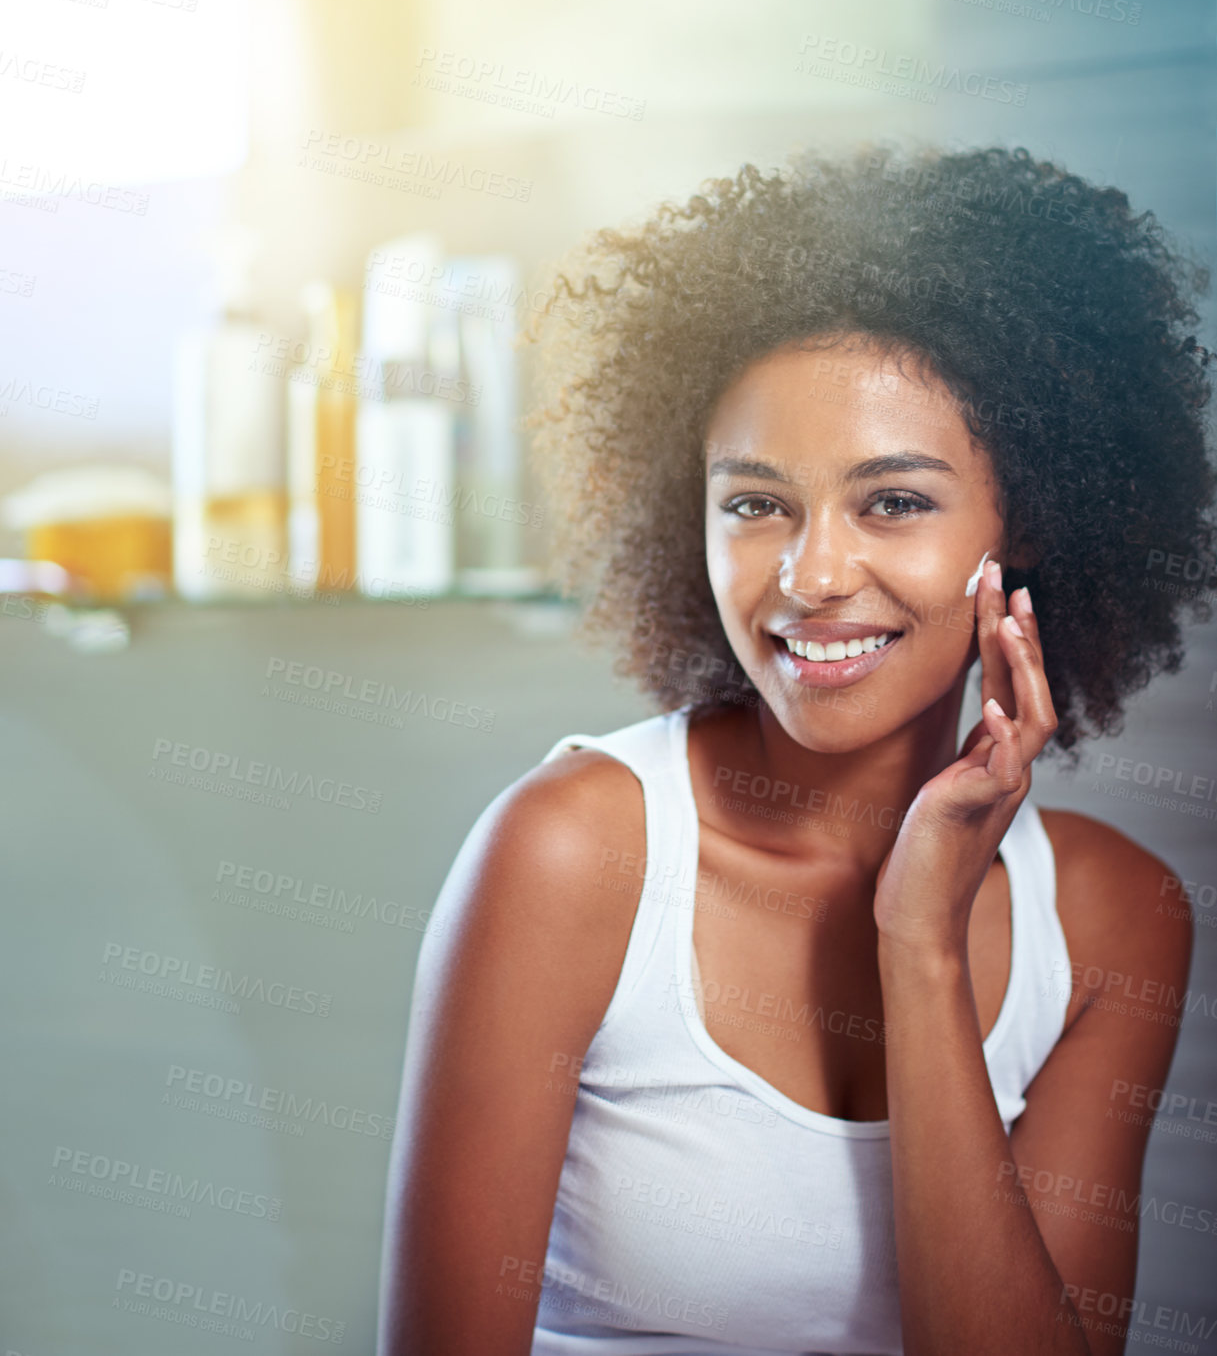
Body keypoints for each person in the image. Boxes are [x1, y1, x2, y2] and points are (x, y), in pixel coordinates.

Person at [376, 145, 1215, 1356]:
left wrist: (916, 939)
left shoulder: (1108, 915)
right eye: (754, 501)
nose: (809, 576)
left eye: (892, 502)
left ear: (1021, 516)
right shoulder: (571, 852)